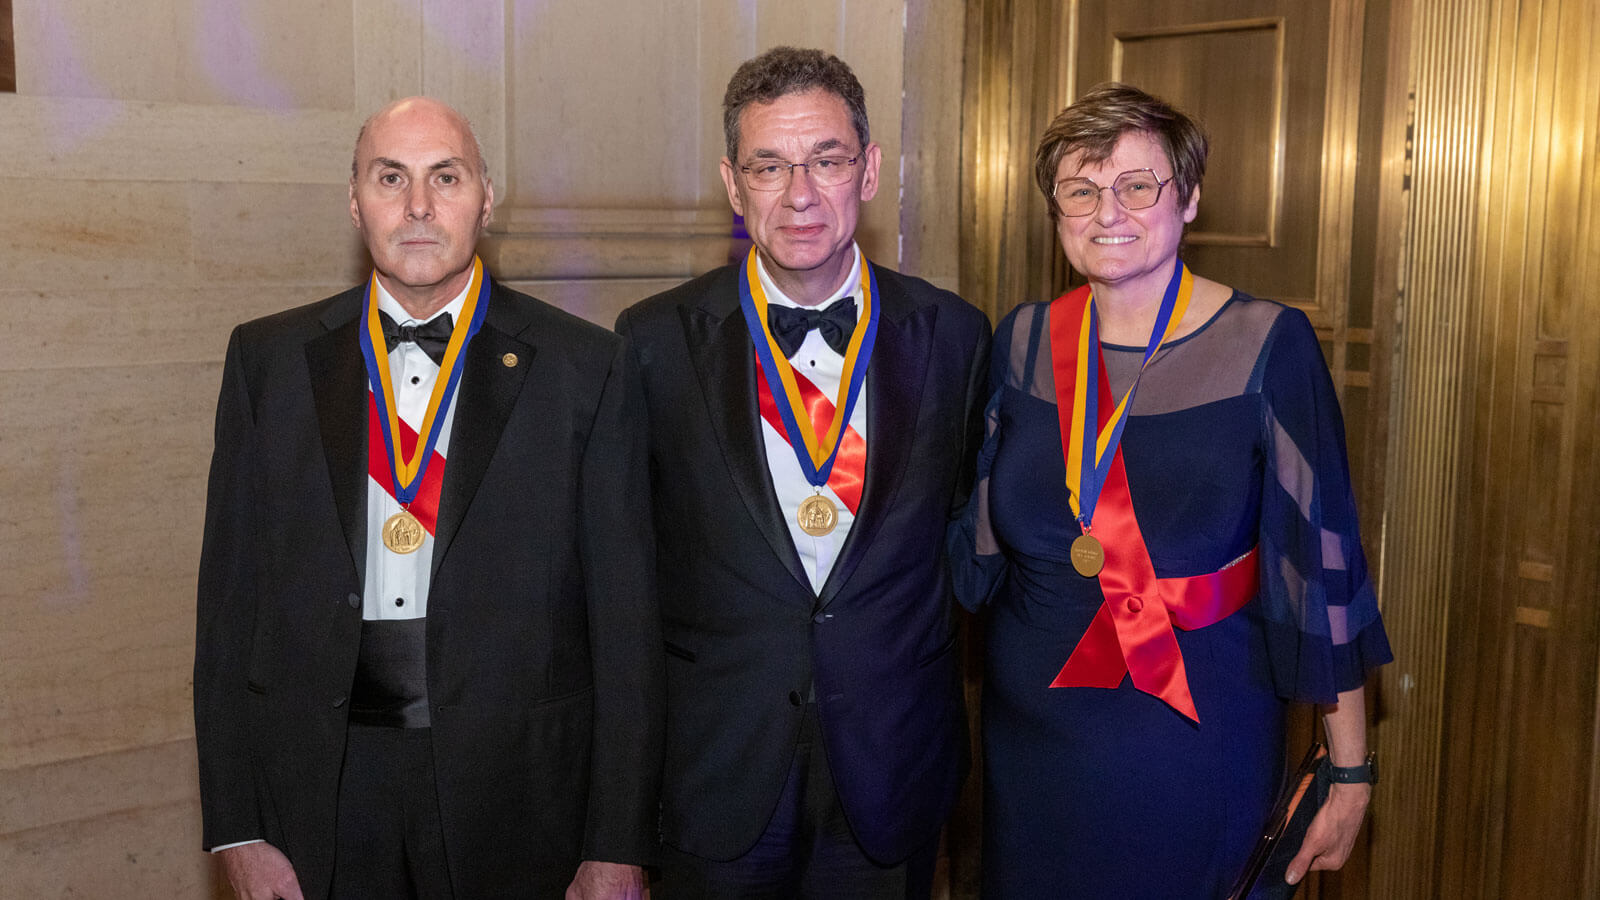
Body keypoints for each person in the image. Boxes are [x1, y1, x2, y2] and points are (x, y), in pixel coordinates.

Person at [193, 96, 663, 900]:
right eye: (390, 178)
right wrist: (238, 822)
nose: (417, 206)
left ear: (487, 196)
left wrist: (616, 841)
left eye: (445, 177)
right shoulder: (267, 362)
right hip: (320, 795)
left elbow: (627, 632)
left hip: (520, 796)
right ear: (354, 201)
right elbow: (228, 609)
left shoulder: (589, 370)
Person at [947, 83, 1393, 897]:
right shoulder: (1019, 342)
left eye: (1136, 184)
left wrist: (1351, 767)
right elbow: (972, 545)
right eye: (1080, 189)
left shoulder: (1269, 345)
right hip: (1029, 744)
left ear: (1188, 199)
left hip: (1193, 734)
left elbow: (1320, 567)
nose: (1105, 210)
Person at [615, 47, 991, 898]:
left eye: (827, 160)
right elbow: (620, 576)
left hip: (892, 770)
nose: (799, 194)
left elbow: (980, 538)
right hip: (714, 775)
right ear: (731, 182)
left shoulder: (958, 338)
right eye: (769, 166)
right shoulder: (651, 343)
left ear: (869, 170)